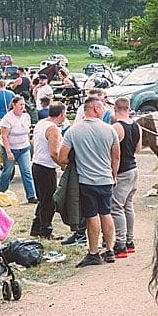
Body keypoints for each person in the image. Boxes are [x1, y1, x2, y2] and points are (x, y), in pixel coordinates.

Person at [59, 97, 120, 267]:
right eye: (101, 108)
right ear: (94, 108)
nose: (103, 111)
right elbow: (116, 156)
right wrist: (113, 175)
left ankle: (93, 252)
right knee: (106, 213)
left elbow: (62, 156)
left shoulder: (73, 131)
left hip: (87, 180)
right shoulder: (110, 130)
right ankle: (109, 250)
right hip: (106, 179)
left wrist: (68, 164)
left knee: (92, 216)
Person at [30, 102, 67, 239]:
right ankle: (46, 230)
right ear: (62, 114)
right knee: (49, 201)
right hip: (46, 167)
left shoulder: (41, 123)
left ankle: (37, 227)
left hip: (37, 164)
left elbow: (33, 142)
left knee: (43, 199)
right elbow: (53, 152)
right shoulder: (53, 129)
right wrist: (62, 164)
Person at [110, 97, 141, 257]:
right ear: (128, 108)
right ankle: (130, 241)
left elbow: (113, 154)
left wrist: (113, 174)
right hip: (133, 167)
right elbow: (138, 148)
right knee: (128, 206)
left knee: (116, 207)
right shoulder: (136, 126)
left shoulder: (116, 127)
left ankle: (120, 244)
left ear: (115, 109)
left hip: (121, 171)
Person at [0, 95, 37, 204]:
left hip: (24, 148)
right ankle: (1, 193)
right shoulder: (7, 118)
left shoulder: (26, 116)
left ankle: (31, 196)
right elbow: (4, 136)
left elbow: (28, 132)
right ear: (14, 105)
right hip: (10, 148)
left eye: (23, 104)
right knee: (7, 172)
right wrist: (8, 151)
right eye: (20, 104)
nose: (22, 107)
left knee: (26, 171)